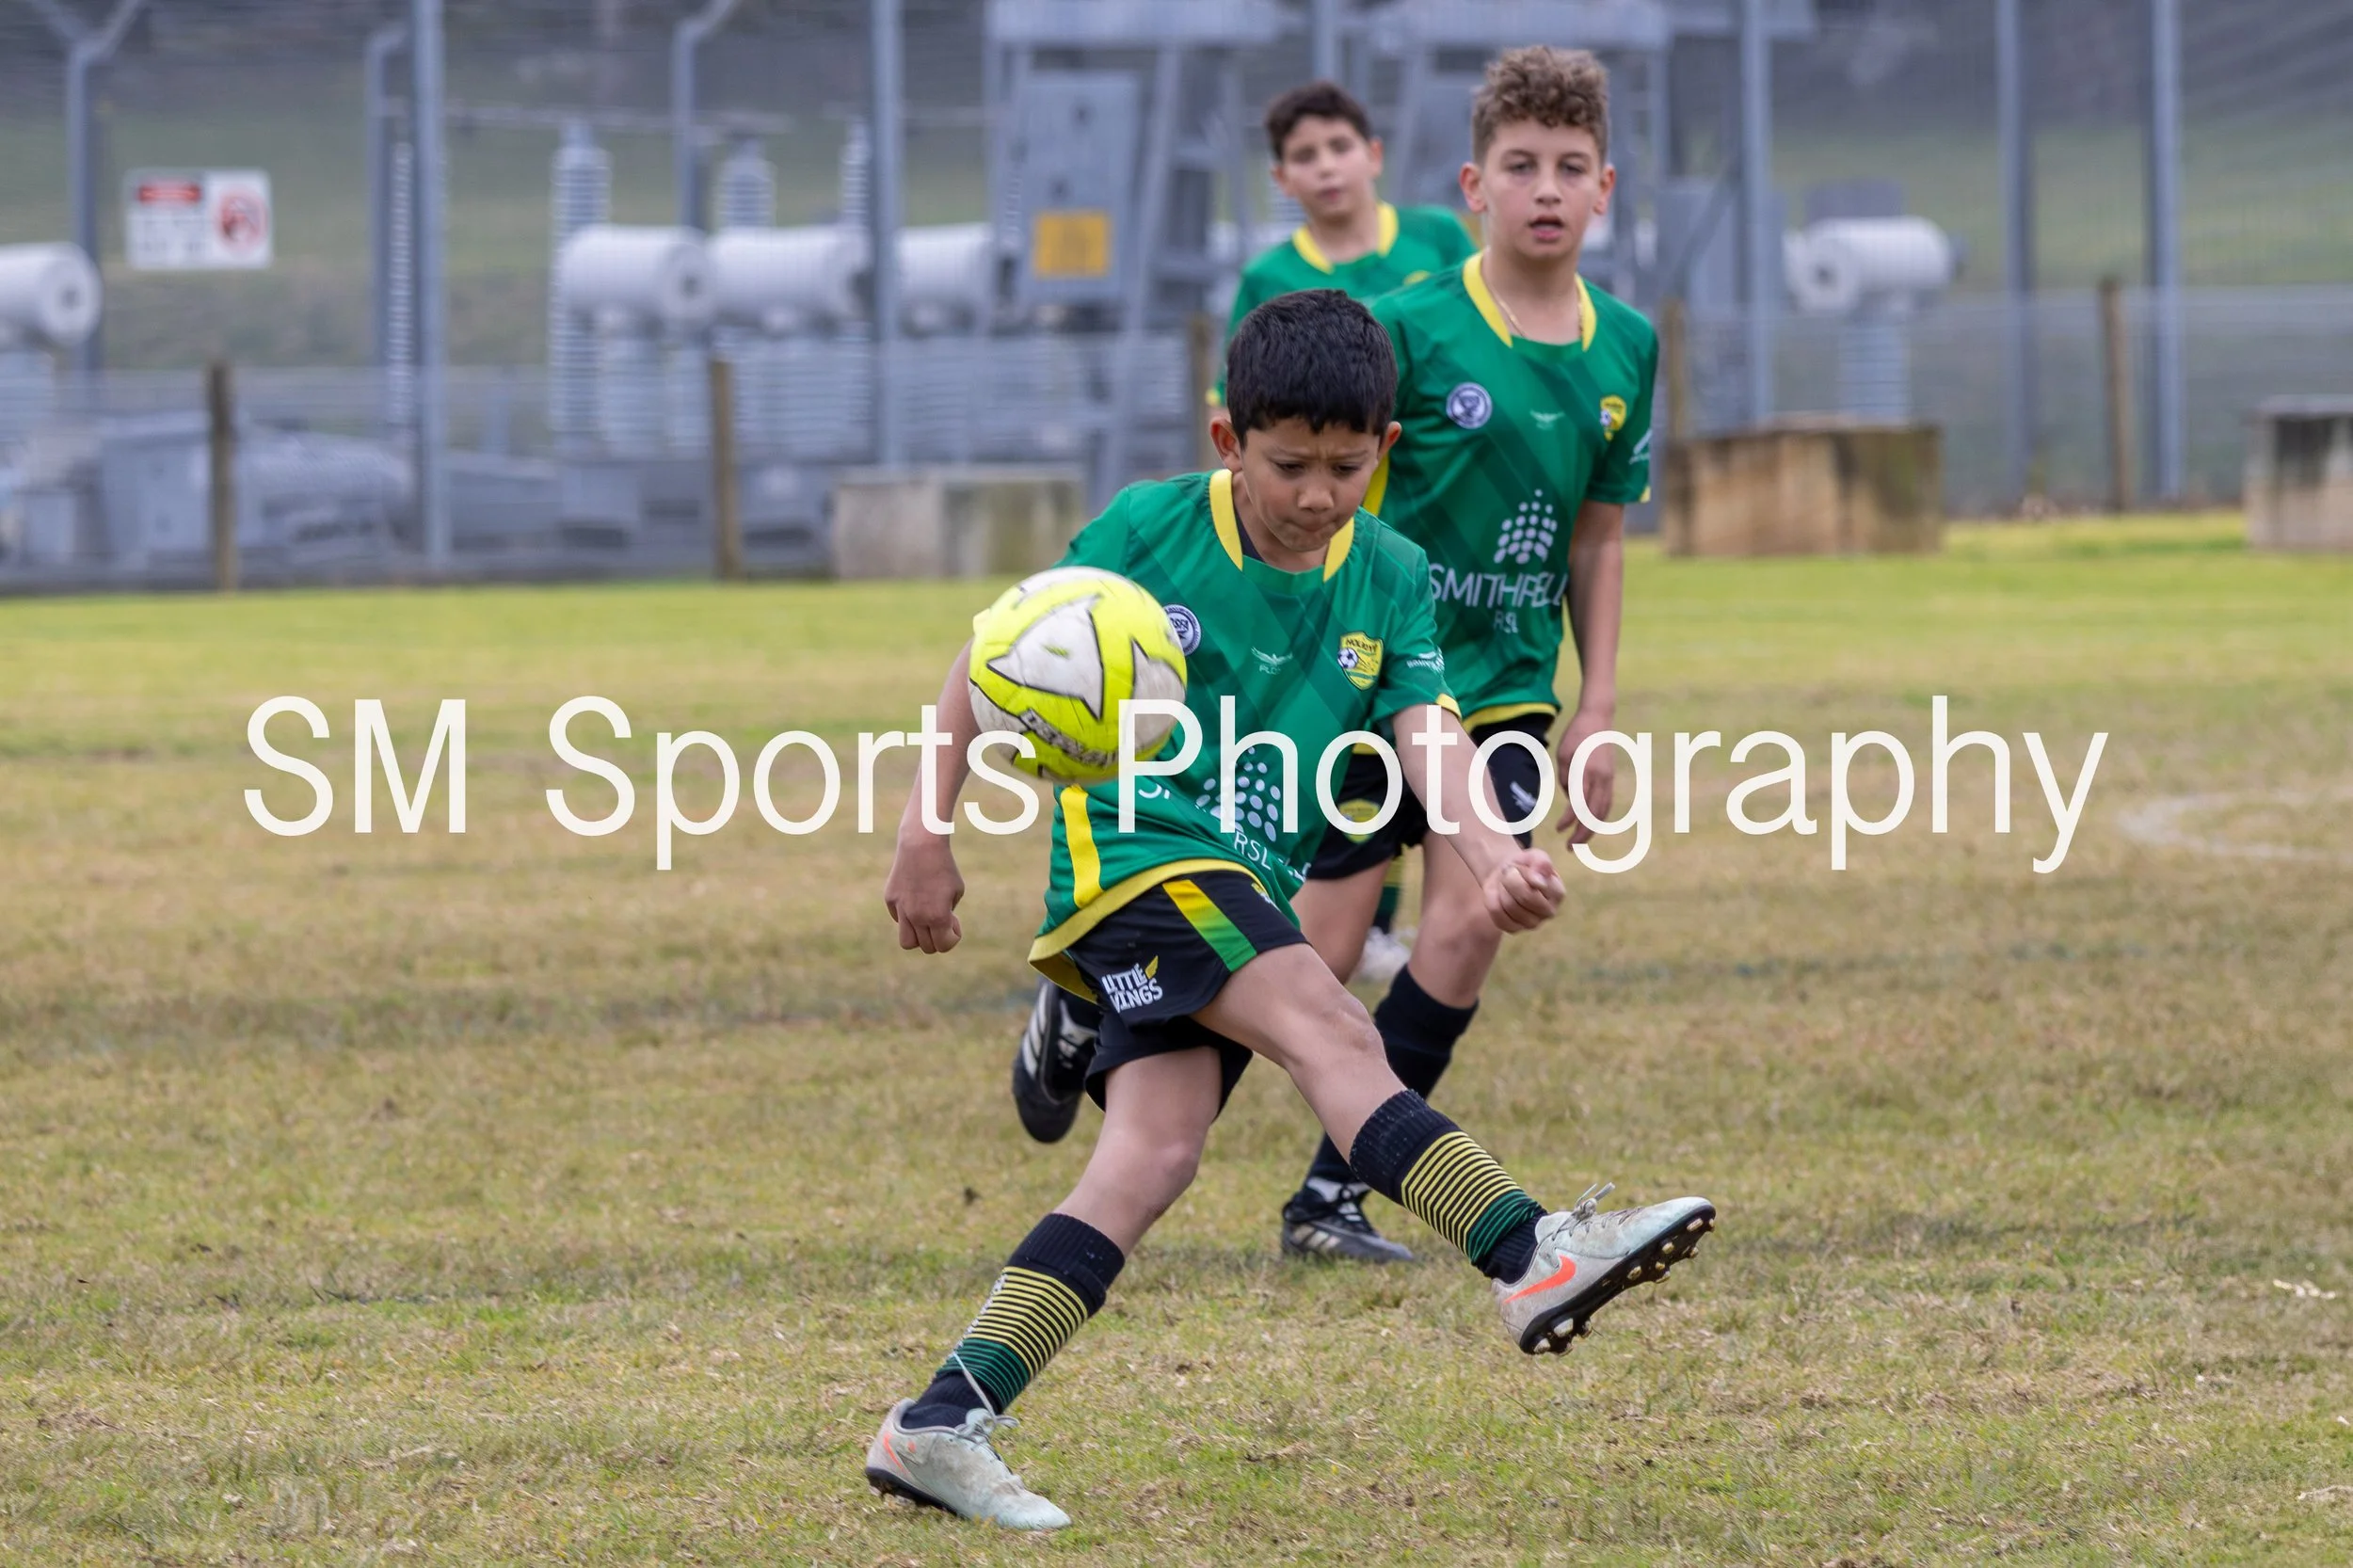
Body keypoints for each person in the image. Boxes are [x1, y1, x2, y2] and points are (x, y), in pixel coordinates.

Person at [866, 291, 1714, 1530]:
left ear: (1385, 450)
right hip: (1140, 857)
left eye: (1347, 466)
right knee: (1333, 1027)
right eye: (1289, 466)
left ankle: (939, 1419)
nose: (1318, 495)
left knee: (1151, 1157)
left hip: (1242, 876)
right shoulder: (1149, 529)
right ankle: (1529, 1251)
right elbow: (989, 656)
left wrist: (1491, 855)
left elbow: (1429, 735)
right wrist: (924, 828)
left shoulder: (1391, 573)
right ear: (1229, 441)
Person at [1009, 74, 1472, 1148]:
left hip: (1377, 589)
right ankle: (1119, 973)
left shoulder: (1436, 247)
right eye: (1303, 155)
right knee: (1292, 1024)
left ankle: (1156, 980)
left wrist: (1498, 864)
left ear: (1372, 154)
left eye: (1339, 147)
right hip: (1247, 637)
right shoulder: (1266, 288)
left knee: (1155, 1153)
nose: (1326, 168)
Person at [1278, 45, 1663, 1263]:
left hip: (1500, 695)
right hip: (1371, 682)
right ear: (1472, 186)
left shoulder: (1627, 346)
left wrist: (1594, 704)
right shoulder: (1409, 327)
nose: (1546, 188)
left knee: (1468, 923)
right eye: (1521, 165)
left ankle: (1330, 1196)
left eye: (1571, 167)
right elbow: (1325, 497)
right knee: (1314, 953)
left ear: (1605, 188)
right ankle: (1096, 1025)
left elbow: (1598, 538)